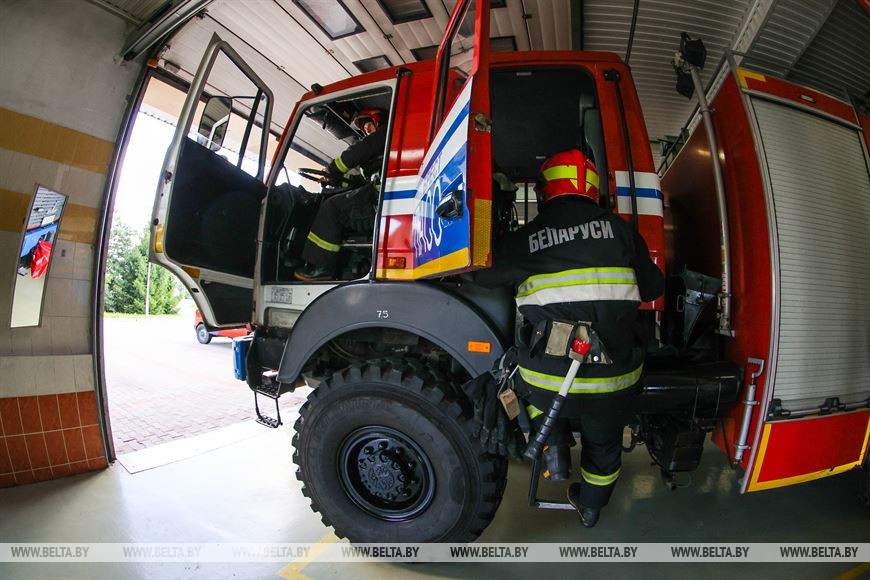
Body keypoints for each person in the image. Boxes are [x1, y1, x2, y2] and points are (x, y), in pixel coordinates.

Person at [474, 148, 664, 527]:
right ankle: (590, 506)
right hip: (616, 381)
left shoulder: (526, 239)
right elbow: (653, 288)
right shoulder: (622, 232)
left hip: (548, 384)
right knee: (605, 444)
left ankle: (553, 441)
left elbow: (481, 275)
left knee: (509, 375)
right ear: (593, 190)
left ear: (545, 191)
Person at [294, 109, 387, 281]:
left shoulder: (385, 135)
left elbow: (361, 149)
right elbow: (359, 182)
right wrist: (336, 181)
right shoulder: (378, 155)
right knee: (330, 200)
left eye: (368, 124)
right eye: (363, 128)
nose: (366, 130)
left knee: (332, 207)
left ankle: (322, 267)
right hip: (376, 194)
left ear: (378, 123)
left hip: (380, 198)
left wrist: (333, 168)